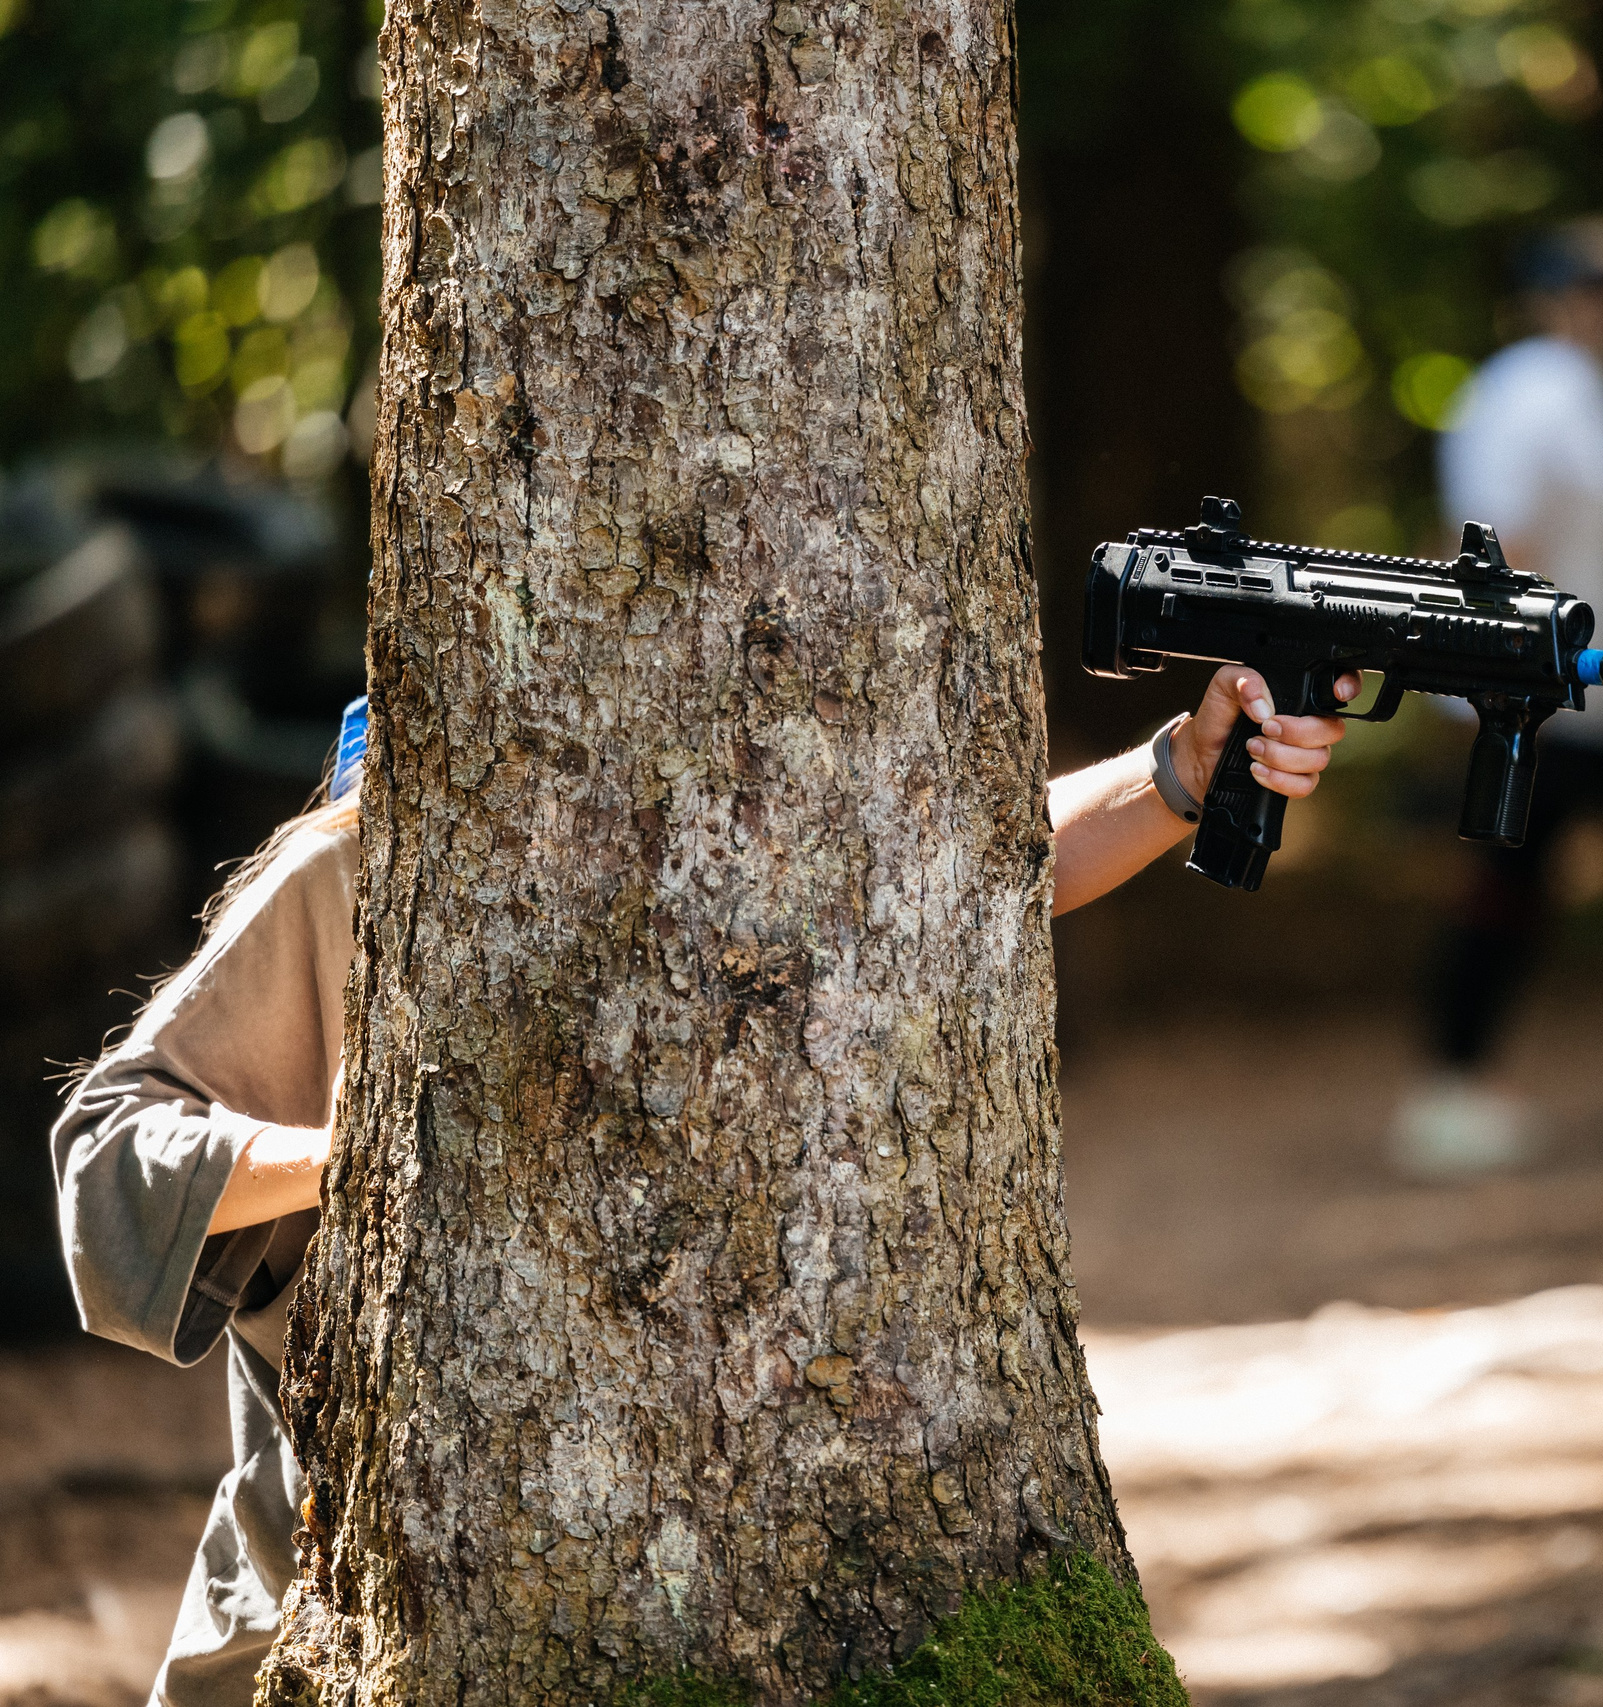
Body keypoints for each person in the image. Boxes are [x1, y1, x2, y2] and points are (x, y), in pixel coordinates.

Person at [51, 664, 1356, 1706]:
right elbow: (107, 1147)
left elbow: (958, 884)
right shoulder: (359, 868)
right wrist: (366, 1144)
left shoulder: (705, 837)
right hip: (335, 1602)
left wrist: (1178, 770)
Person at [1394, 235, 1603, 1177]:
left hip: (1576, 690)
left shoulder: (1569, 390)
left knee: (1520, 883)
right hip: (1525, 692)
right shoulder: (1530, 392)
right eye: (1588, 290)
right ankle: (1452, 1083)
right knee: (1500, 884)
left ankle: (1464, 1079)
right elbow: (1497, 539)